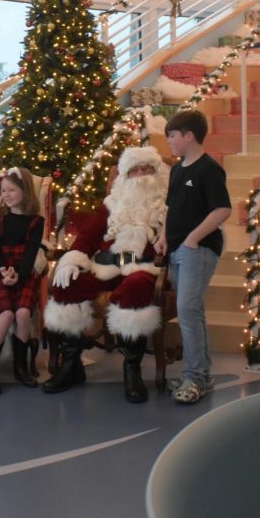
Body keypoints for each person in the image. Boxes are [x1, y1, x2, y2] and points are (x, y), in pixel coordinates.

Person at [45, 146, 169, 403]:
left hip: (144, 268)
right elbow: (88, 237)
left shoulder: (167, 205)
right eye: (135, 169)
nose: (142, 174)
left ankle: (131, 368)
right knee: (67, 284)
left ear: (158, 172)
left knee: (133, 287)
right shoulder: (111, 204)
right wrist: (71, 260)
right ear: (124, 176)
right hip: (106, 266)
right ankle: (72, 364)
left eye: (148, 168)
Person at [155, 109, 232, 405]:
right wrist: (164, 237)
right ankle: (201, 374)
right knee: (192, 312)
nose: (170, 142)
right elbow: (170, 209)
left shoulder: (208, 169)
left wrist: (191, 239)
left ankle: (195, 378)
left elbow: (222, 210)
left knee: (187, 311)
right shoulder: (177, 169)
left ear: (189, 135)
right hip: (176, 249)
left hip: (196, 251)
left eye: (172, 136)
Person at [0, 167, 44, 395]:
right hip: (1, 271)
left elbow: (30, 253)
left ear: (25, 192)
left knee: (23, 313)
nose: (6, 195)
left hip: (24, 273)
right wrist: (4, 271)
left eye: (11, 190)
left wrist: (19, 275)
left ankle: (21, 366)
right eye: (3, 191)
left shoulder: (37, 221)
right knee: (6, 314)